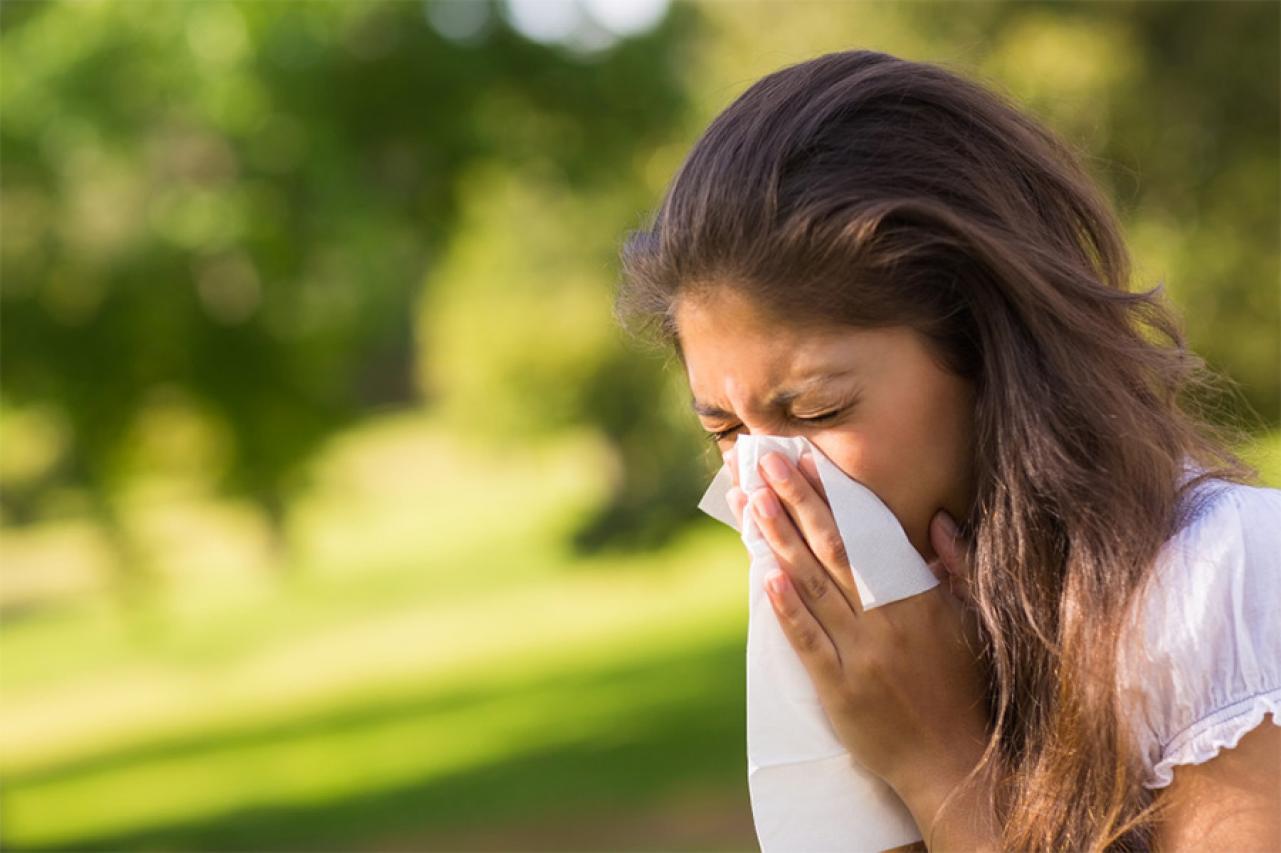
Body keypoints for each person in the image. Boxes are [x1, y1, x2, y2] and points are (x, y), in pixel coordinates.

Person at [612, 49, 1280, 851]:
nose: (768, 481)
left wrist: (936, 763)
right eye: (724, 430)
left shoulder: (1219, 584)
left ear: (984, 349)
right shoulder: (894, 652)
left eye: (817, 408)